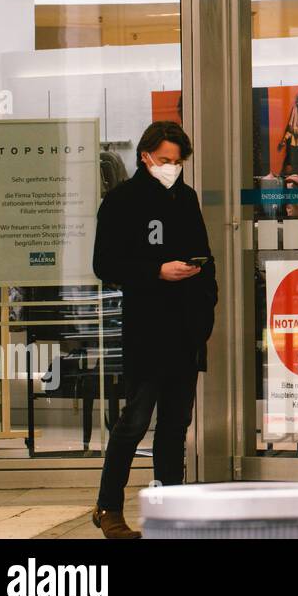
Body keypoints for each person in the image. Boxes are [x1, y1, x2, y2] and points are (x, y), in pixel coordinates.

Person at [90, 121, 218, 539]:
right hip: (146, 329)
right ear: (145, 156)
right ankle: (109, 506)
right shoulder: (121, 201)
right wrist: (156, 271)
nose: (172, 168)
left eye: (177, 162)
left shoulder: (185, 198)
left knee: (175, 426)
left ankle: (169, 509)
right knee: (135, 420)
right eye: (165, 160)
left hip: (185, 329)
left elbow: (206, 258)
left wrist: (205, 310)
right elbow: (105, 265)